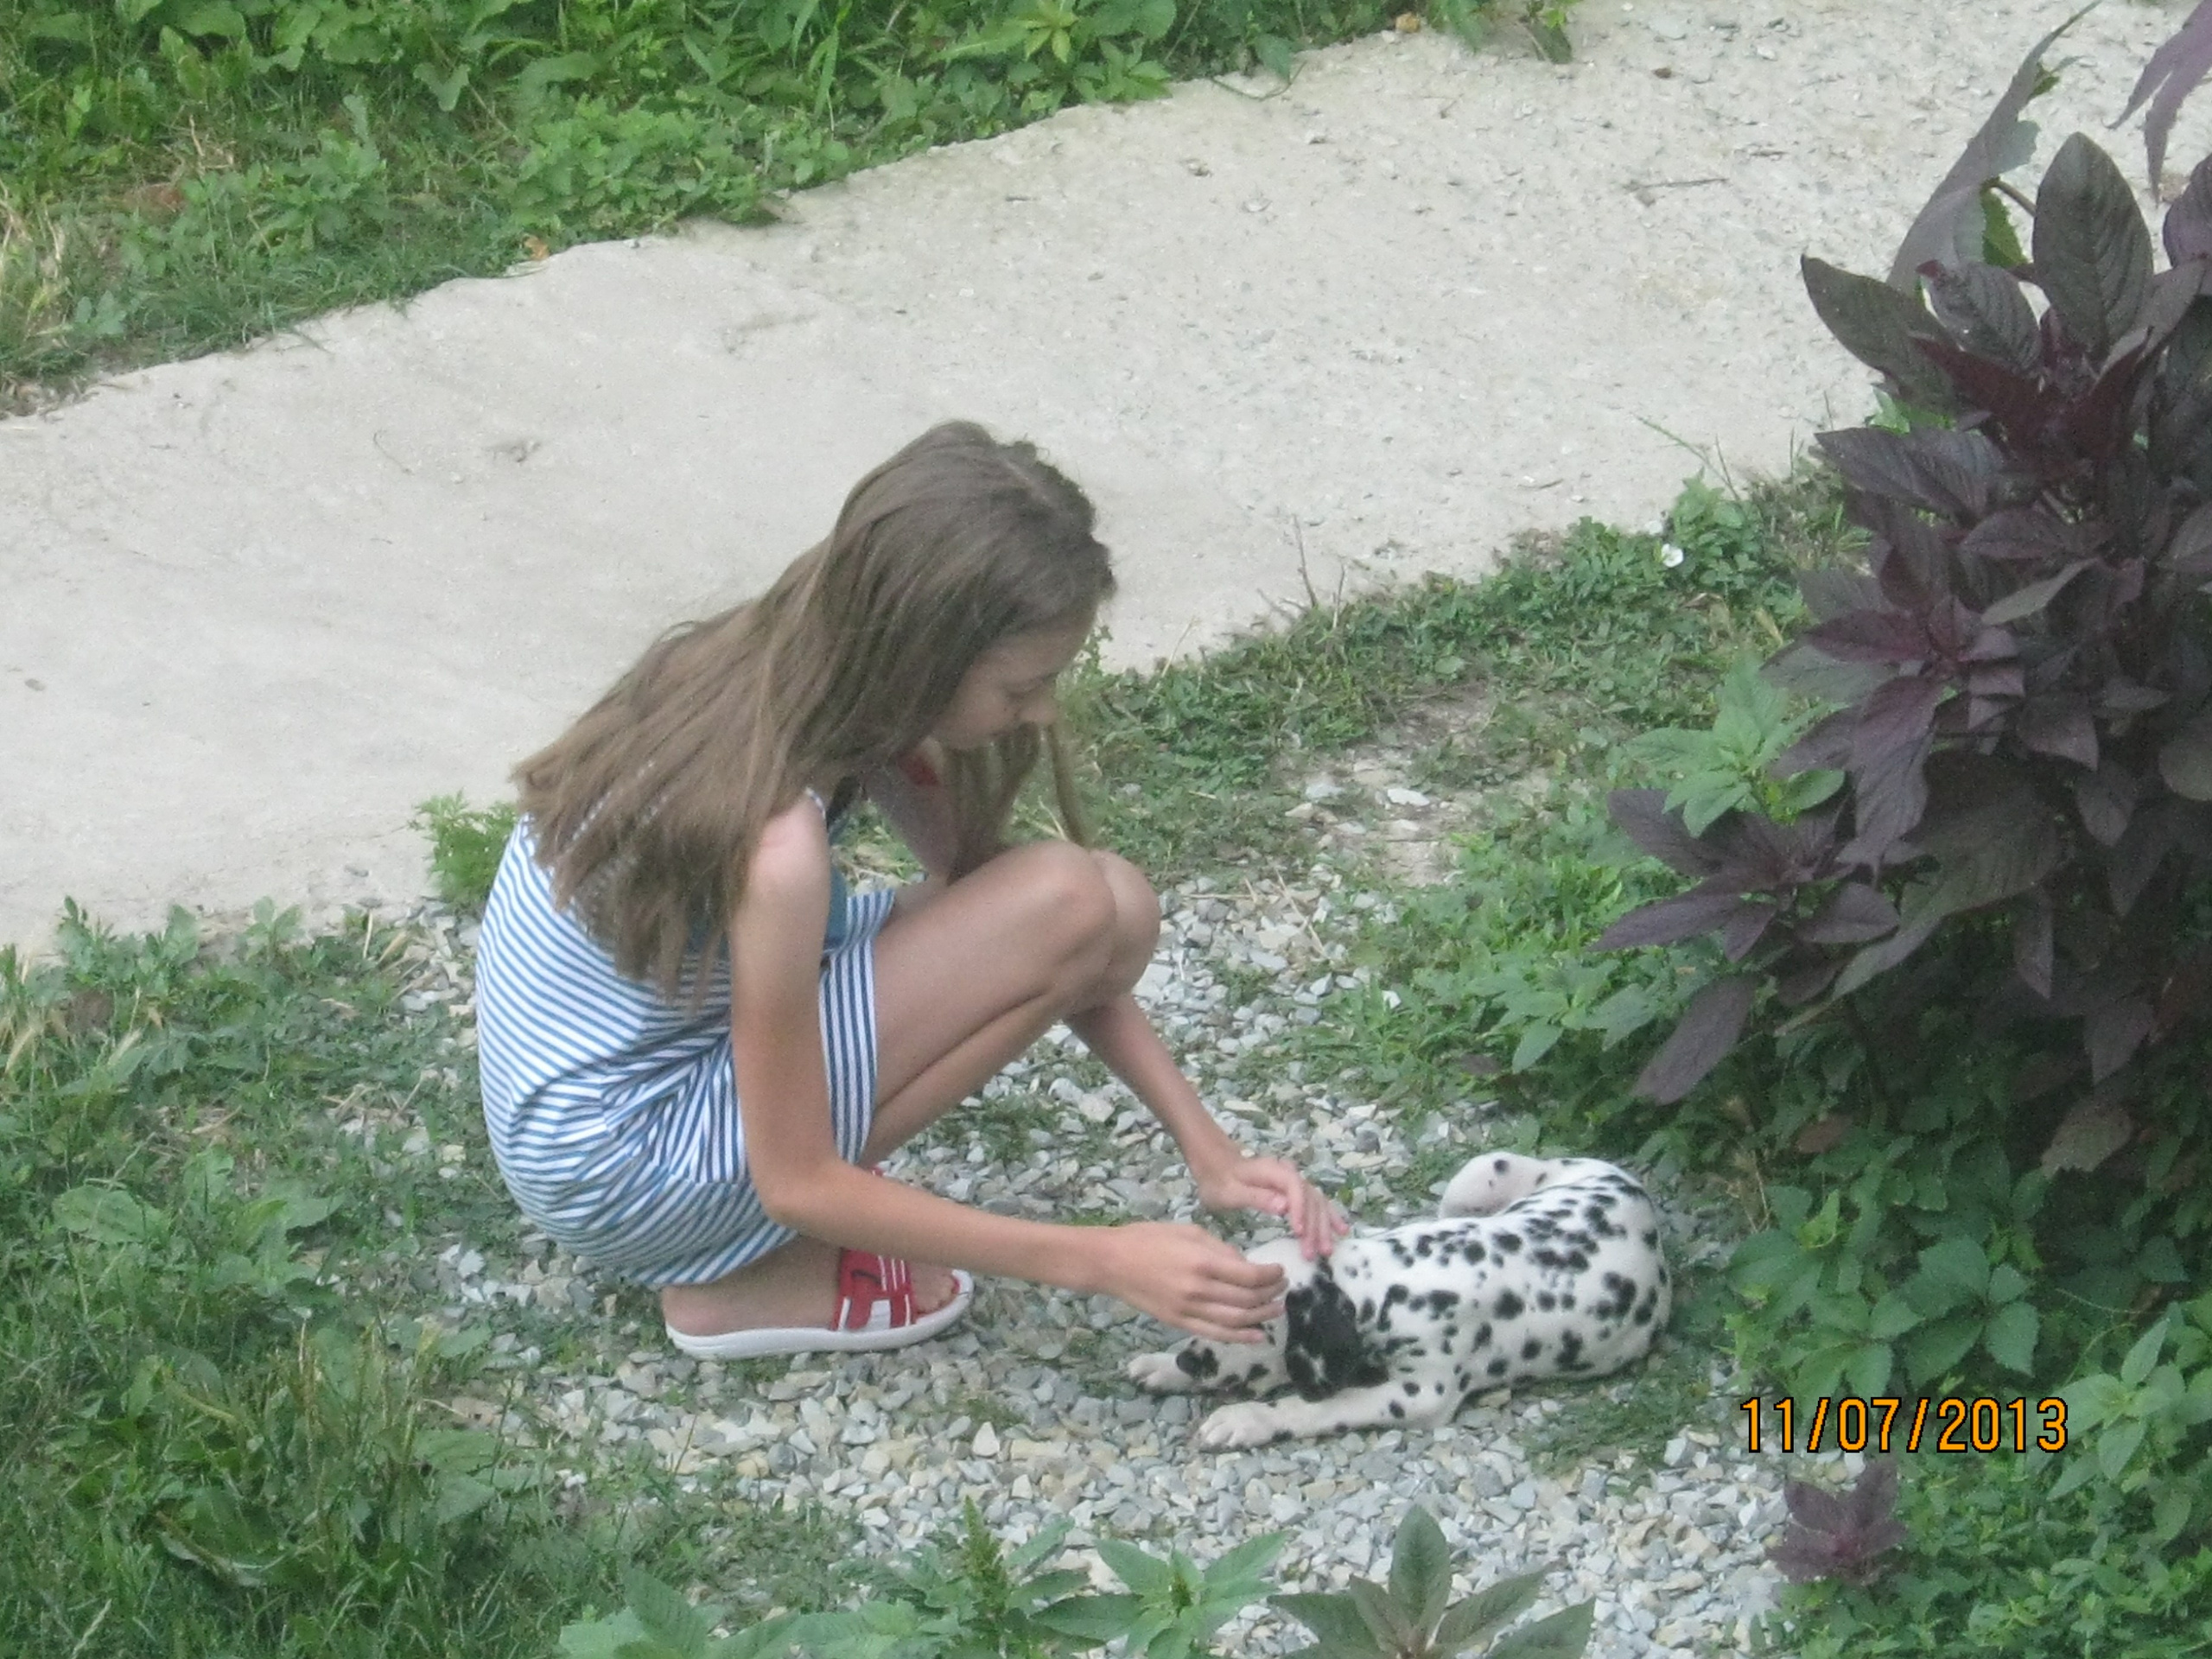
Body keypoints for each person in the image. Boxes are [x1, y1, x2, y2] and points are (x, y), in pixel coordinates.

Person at [474, 421, 1344, 1363]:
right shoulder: (778, 849)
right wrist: (1099, 1259)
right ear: (922, 654)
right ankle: (735, 1280)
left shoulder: (799, 666)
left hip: (633, 1084)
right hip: (625, 1173)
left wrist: (1207, 1149)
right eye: (1023, 686)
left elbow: (1055, 935)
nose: (1042, 712)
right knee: (1067, 895)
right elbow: (796, 1180)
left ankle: (746, 1226)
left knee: (1107, 901)